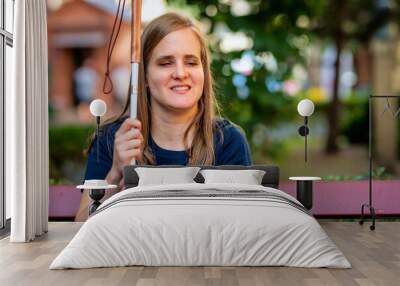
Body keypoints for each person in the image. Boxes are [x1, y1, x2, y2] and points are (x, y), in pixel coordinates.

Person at [75, 13, 252, 221]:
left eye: (191, 62)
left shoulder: (228, 141)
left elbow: (243, 223)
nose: (180, 73)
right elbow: (81, 224)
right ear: (145, 76)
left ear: (203, 72)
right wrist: (115, 173)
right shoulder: (112, 138)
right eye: (166, 63)